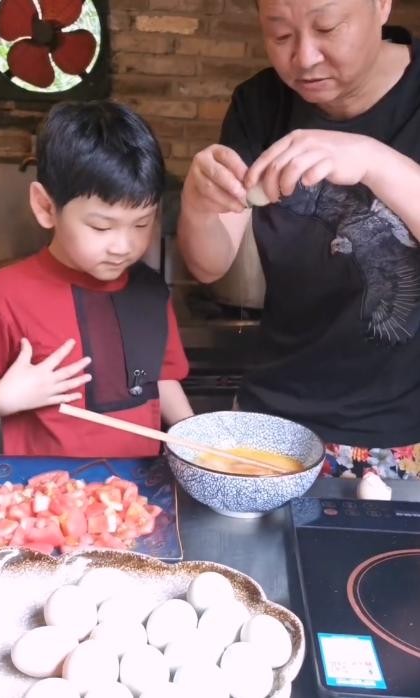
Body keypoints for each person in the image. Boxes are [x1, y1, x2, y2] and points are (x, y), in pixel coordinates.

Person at [177, 0, 420, 479]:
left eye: (327, 27)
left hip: (396, 437)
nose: (304, 57)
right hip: (270, 424)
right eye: (281, 34)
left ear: (381, 6)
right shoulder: (260, 103)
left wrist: (373, 161)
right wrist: (198, 204)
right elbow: (209, 264)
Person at [0, 101, 193, 457]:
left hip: (138, 486)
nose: (124, 246)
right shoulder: (5, 295)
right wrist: (2, 399)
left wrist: (197, 439)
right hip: (47, 488)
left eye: (142, 223)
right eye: (101, 227)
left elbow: (161, 376)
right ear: (45, 207)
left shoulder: (150, 290)